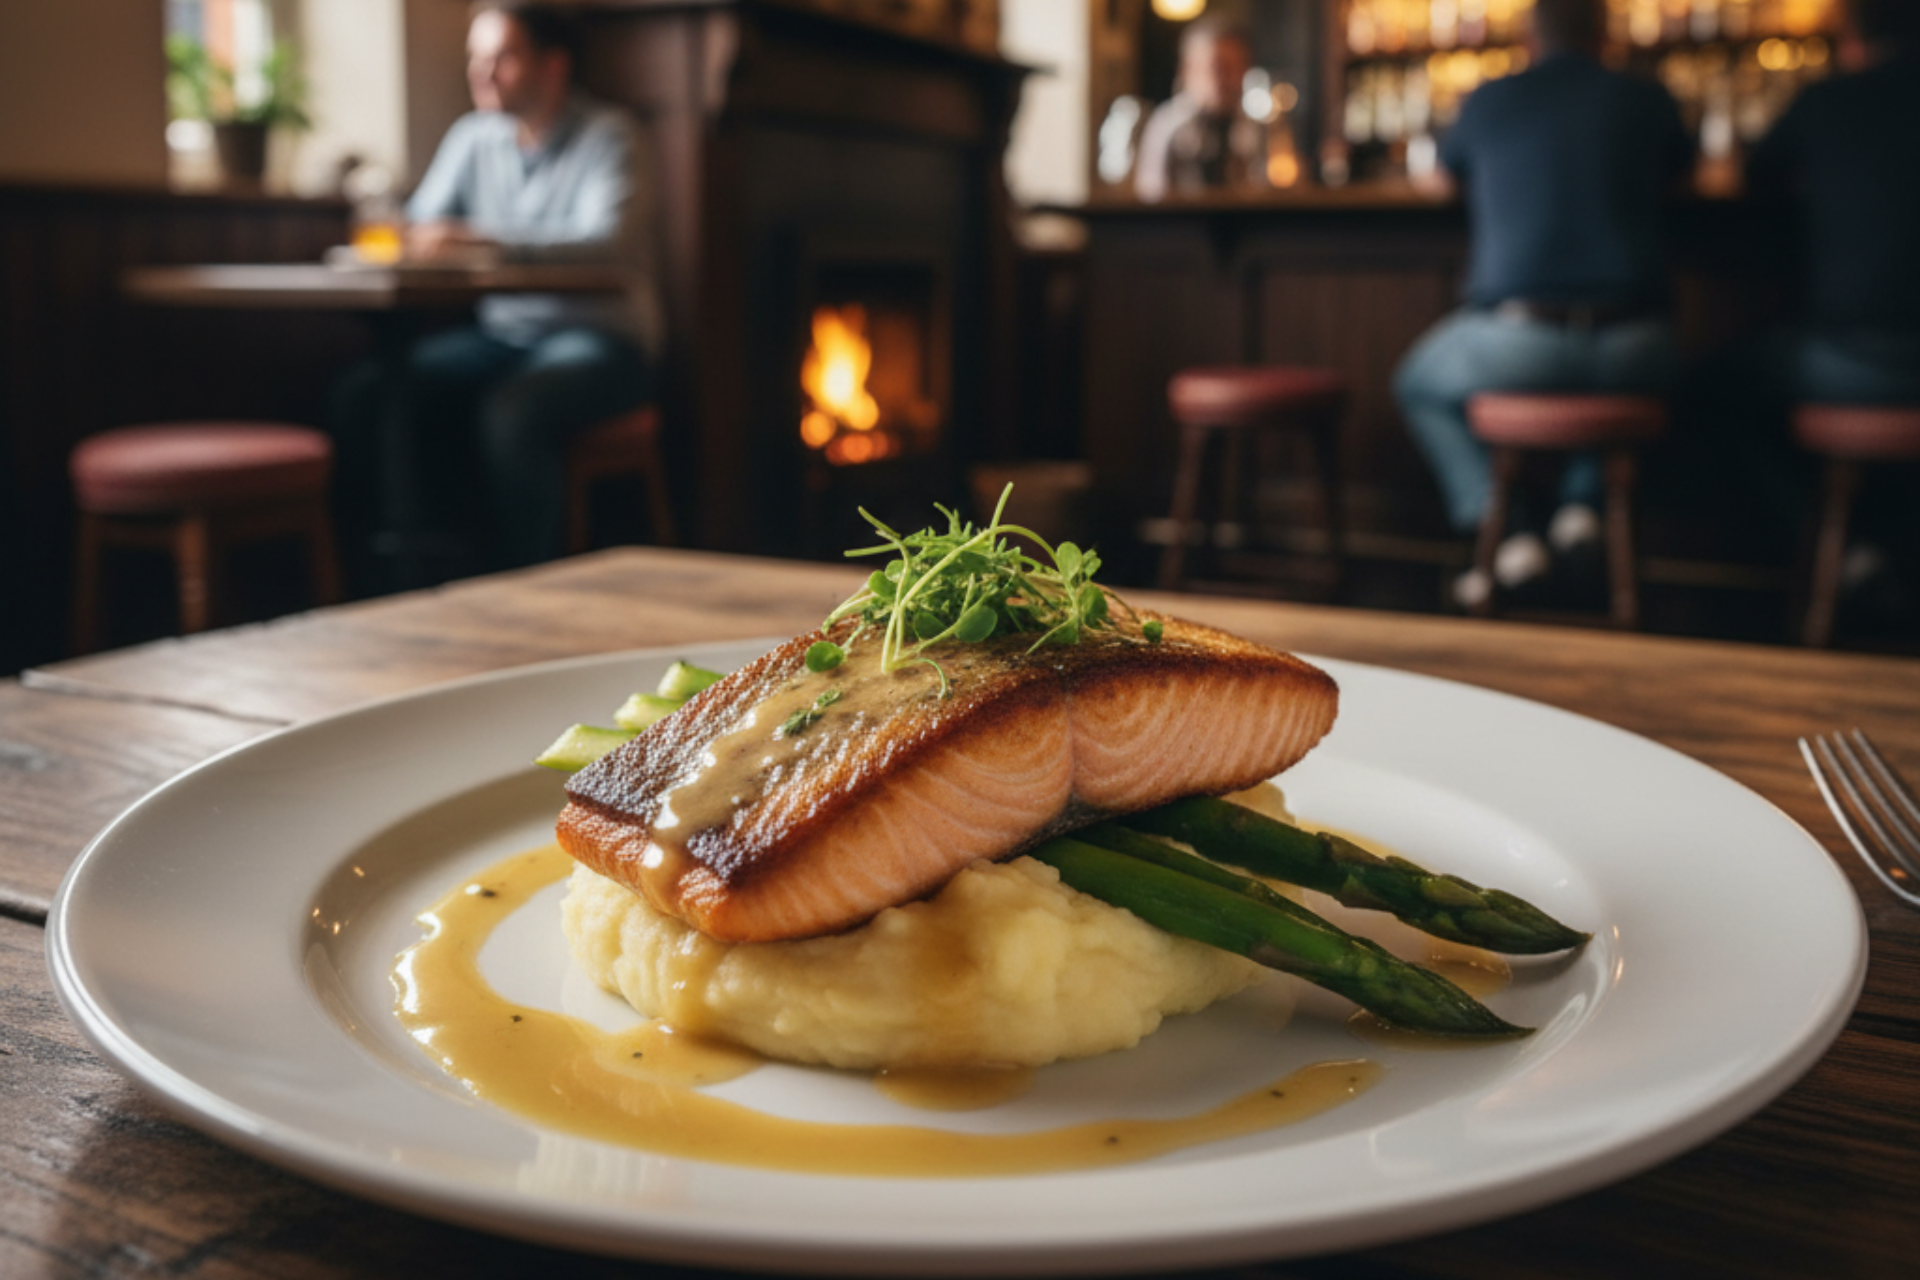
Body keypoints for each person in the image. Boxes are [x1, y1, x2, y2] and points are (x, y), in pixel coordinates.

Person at [331, 1, 661, 581]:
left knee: (514, 410)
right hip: (503, 338)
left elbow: (604, 241)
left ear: (554, 65)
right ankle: (397, 577)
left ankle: (526, 585)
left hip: (600, 340)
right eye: (476, 57)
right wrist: (411, 235)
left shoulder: (609, 134)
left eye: (503, 57)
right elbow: (419, 226)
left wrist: (482, 238)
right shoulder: (473, 137)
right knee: (370, 392)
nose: (482, 72)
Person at [1390, 0, 1692, 608]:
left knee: (1415, 382)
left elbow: (1440, 179)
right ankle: (1581, 508)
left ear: (1528, 37)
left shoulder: (1488, 100)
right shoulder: (1647, 97)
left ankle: (1508, 528)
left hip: (1517, 343)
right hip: (1642, 347)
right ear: (1605, 34)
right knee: (1602, 381)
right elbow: (1688, 173)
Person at [1715, 0, 1920, 593]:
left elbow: (1757, 176)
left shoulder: (1826, 101)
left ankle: (1846, 549)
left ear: (1850, 39)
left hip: (1848, 361)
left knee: (1718, 387)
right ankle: (1880, 542)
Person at [1134, 17, 1266, 202]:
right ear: (1187, 70)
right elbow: (1152, 201)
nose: (1224, 80)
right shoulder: (1167, 128)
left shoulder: (1259, 129)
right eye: (1216, 68)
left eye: (1233, 68)